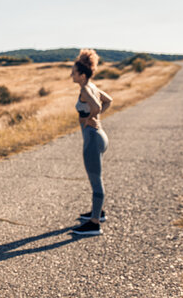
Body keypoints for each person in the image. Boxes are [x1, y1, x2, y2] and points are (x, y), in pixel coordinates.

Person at [70, 49, 113, 235]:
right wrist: (96, 117)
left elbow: (96, 106)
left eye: (73, 72)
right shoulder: (93, 87)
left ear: (81, 74)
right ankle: (98, 212)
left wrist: (91, 118)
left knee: (96, 180)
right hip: (99, 135)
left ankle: (94, 223)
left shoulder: (85, 89)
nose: (71, 74)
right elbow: (108, 100)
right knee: (96, 177)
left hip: (92, 137)